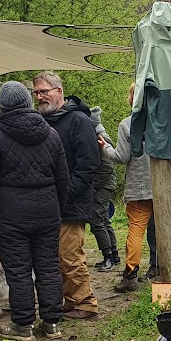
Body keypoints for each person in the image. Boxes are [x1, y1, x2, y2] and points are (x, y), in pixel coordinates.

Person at [0, 82, 69, 341]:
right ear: (28, 103)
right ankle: (52, 323)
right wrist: (58, 207)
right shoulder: (50, 133)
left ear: (2, 106)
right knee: (49, 266)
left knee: (18, 270)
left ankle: (23, 325)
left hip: (11, 212)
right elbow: (63, 177)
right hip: (47, 209)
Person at [102, 85, 171, 292]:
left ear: (132, 99)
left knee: (136, 230)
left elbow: (122, 157)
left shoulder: (127, 125)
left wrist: (105, 147)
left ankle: (130, 274)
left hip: (139, 188)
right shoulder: (168, 122)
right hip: (170, 186)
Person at [33, 71, 100, 320]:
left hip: (72, 202)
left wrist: (68, 192)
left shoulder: (78, 121)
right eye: (36, 93)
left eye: (44, 91)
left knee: (70, 255)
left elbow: (89, 163)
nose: (40, 97)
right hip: (50, 203)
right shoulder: (44, 122)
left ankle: (85, 303)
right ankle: (70, 300)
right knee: (56, 257)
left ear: (59, 92)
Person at [88, 105, 120, 271]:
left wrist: (94, 186)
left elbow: (107, 167)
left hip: (104, 186)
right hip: (106, 184)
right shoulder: (100, 135)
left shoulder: (101, 138)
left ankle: (108, 257)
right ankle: (114, 255)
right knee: (104, 220)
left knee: (97, 220)